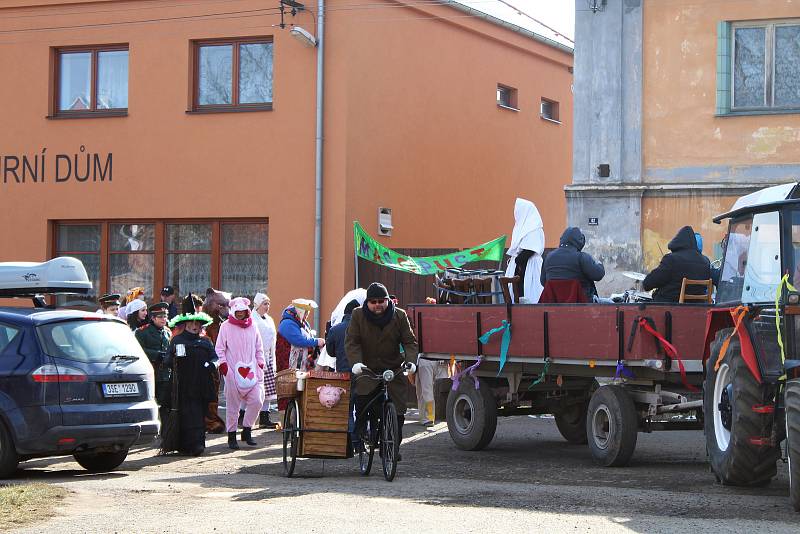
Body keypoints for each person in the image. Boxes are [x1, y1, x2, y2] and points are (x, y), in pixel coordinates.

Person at [346, 282, 418, 456]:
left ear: (387, 300)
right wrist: (356, 362)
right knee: (362, 402)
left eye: (381, 301)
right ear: (367, 302)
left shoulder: (400, 316)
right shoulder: (357, 315)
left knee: (399, 412)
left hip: (393, 370)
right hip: (367, 369)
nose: (377, 305)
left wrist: (410, 362)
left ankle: (391, 447)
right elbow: (352, 342)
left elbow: (409, 342)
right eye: (373, 301)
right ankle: (362, 432)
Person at [161, 297, 217, 456]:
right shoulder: (177, 340)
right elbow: (167, 360)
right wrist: (173, 360)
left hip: (201, 384)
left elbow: (215, 357)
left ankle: (199, 444)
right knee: (186, 414)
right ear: (185, 324)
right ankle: (185, 445)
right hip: (183, 385)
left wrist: (212, 364)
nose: (194, 326)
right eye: (191, 323)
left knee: (200, 414)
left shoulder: (205, 341)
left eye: (197, 323)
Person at [215, 297, 266, 449]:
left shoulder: (253, 326)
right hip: (232, 373)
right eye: (237, 312)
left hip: (252, 371)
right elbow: (219, 349)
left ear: (247, 311)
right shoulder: (226, 326)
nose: (240, 314)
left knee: (257, 400)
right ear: (233, 311)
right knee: (233, 407)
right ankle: (231, 436)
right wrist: (224, 366)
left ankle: (247, 430)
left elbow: (259, 347)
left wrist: (260, 362)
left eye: (242, 312)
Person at [275, 299, 325, 413]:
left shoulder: (302, 323)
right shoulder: (288, 323)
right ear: (299, 311)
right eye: (305, 312)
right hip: (288, 364)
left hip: (299, 365)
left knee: (298, 390)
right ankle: (286, 418)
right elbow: (298, 340)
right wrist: (316, 341)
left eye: (308, 312)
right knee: (288, 390)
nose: (307, 315)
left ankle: (298, 416)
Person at [643, 225, 712, 303]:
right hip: (698, 307)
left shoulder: (671, 259)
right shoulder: (706, 261)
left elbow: (648, 283)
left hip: (669, 308)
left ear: (677, 242)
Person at [540, 227, 605, 302]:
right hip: (583, 304)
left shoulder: (548, 257)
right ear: (579, 241)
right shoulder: (581, 257)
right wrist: (600, 264)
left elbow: (543, 281)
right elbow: (598, 275)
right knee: (612, 303)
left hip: (554, 304)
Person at [200, 288, 230, 434]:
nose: (226, 309)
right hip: (202, 364)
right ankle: (205, 420)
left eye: (227, 305)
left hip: (215, 365)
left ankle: (211, 419)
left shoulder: (222, 324)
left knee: (214, 392)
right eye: (221, 305)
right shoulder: (202, 323)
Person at [504, 198, 546, 302]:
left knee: (529, 292)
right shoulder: (523, 227)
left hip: (530, 267)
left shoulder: (534, 229)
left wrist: (518, 260)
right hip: (520, 266)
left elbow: (530, 250)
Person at [135, 302, 172, 417]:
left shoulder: (167, 332)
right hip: (152, 372)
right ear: (153, 318)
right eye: (160, 317)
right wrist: (156, 354)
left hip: (165, 374)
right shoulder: (142, 332)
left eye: (165, 316)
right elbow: (138, 351)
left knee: (165, 403)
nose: (164, 319)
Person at [252, 293, 278, 429]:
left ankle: (264, 416)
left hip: (268, 357)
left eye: (268, 304)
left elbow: (273, 339)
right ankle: (243, 416)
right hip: (255, 357)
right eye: (264, 304)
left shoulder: (269, 319)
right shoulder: (252, 319)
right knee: (253, 388)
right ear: (257, 304)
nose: (267, 306)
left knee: (267, 389)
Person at [326, 299, 360, 373]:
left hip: (342, 373)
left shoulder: (334, 330)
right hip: (360, 373)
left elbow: (330, 353)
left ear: (344, 313)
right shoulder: (364, 328)